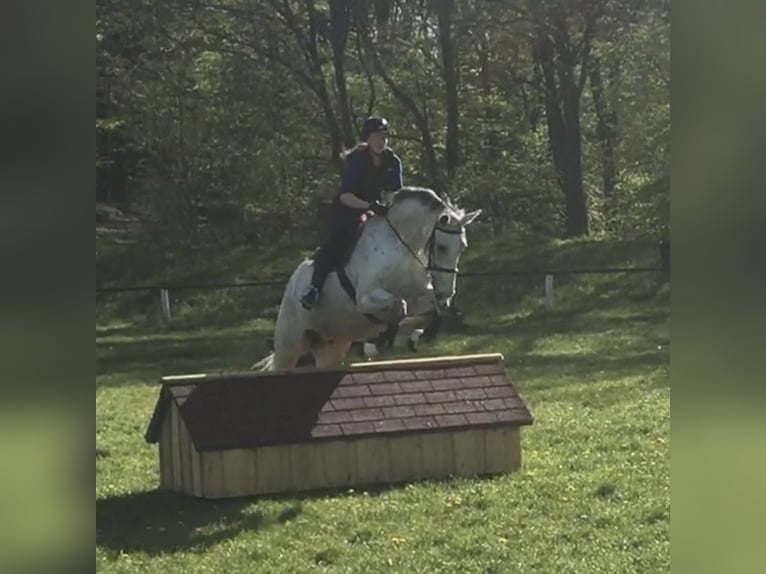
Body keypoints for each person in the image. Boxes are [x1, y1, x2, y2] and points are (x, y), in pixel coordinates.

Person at [300, 116, 403, 310]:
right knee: (336, 243)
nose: (381, 141)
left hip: (376, 211)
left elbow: (394, 192)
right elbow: (346, 196)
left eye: (384, 137)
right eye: (376, 137)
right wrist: (369, 206)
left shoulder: (393, 161)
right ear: (368, 139)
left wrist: (385, 206)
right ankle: (314, 289)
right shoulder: (357, 161)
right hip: (348, 210)